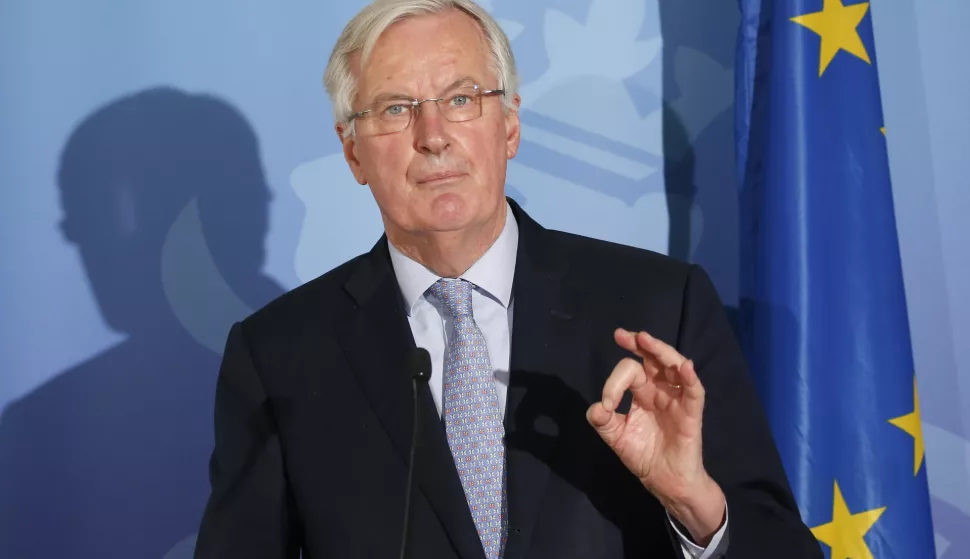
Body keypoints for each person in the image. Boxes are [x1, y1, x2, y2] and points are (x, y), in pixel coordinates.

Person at [194, 1, 822, 557]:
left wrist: (695, 506)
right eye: (395, 108)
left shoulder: (661, 307)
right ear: (353, 150)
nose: (433, 136)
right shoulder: (279, 355)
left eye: (461, 98)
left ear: (510, 125)